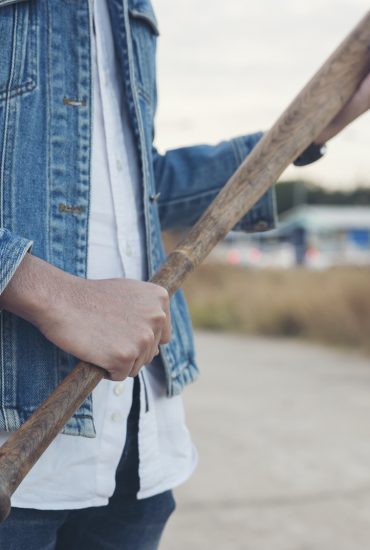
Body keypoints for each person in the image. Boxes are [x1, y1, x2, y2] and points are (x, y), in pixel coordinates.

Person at [0, 1, 368, 548]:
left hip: (140, 443)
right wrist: (50, 295)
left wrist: (315, 128)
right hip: (16, 441)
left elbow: (145, 187)